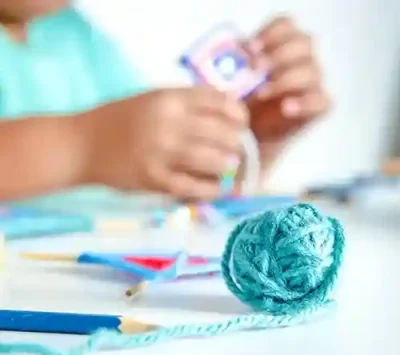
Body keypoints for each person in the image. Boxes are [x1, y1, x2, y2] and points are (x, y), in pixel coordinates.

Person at [0, 1, 330, 204]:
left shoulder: (73, 35)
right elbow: (108, 144)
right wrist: (86, 145)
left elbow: (156, 177)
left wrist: (243, 142)